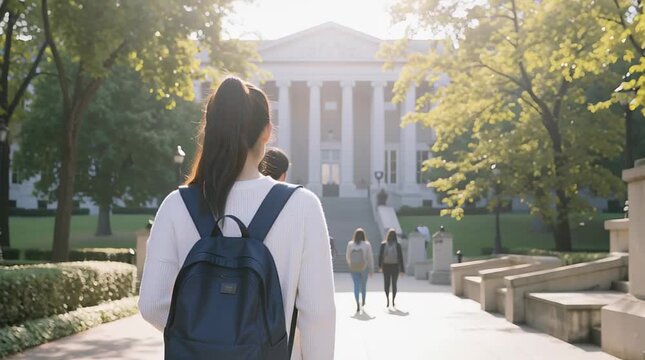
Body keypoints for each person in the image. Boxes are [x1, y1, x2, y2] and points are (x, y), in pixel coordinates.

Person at [138, 77, 336, 360]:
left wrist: (206, 338)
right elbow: (318, 315)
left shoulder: (176, 205)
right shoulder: (302, 206)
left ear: (211, 131)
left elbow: (152, 304)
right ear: (267, 132)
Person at [346, 228, 374, 313]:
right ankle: (363, 300)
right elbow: (370, 257)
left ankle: (357, 302)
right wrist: (371, 269)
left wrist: (350, 264)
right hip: (364, 267)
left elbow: (347, 256)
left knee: (356, 285)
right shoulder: (367, 244)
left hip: (354, 268)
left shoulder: (350, 244)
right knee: (363, 285)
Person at [378, 228, 405, 308]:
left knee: (386, 284)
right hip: (395, 266)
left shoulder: (383, 244)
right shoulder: (398, 245)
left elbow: (380, 256)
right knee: (394, 284)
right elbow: (400, 258)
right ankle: (393, 300)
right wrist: (402, 270)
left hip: (386, 266)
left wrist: (380, 266)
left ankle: (387, 299)